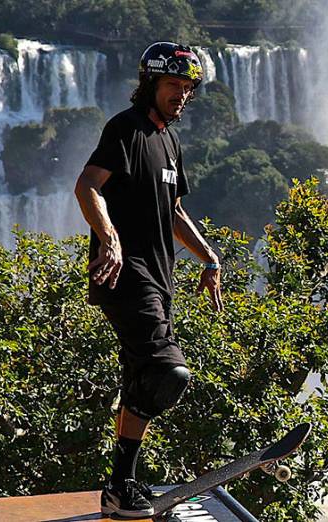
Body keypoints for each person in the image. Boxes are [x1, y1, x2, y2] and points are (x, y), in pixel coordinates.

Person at [74, 41, 223, 519]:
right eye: (172, 85)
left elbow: (174, 211)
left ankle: (120, 489)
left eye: (186, 88)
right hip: (124, 272)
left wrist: (209, 258)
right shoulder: (127, 128)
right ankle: (121, 485)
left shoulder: (169, 141)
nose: (180, 95)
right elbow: (88, 184)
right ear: (150, 84)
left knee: (143, 379)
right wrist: (110, 238)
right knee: (168, 373)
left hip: (158, 277)